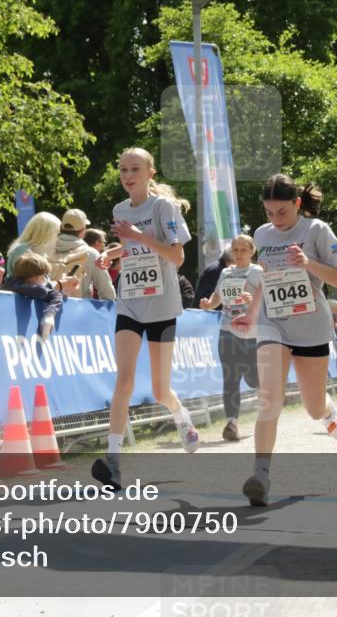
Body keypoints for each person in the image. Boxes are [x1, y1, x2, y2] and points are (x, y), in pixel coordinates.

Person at [232, 174, 337, 507]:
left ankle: (327, 411)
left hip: (310, 326)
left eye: (281, 212)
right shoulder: (262, 235)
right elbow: (267, 280)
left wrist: (308, 263)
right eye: (268, 212)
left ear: (297, 204)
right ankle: (261, 475)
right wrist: (253, 315)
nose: (275, 220)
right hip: (273, 324)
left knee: (311, 407)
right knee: (270, 398)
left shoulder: (316, 231)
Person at [90, 147, 199, 490]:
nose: (127, 175)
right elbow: (133, 248)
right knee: (123, 381)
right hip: (131, 303)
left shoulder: (162, 207)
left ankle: (181, 417)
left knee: (159, 389)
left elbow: (177, 256)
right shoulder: (120, 209)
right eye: (122, 169)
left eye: (135, 168)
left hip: (162, 306)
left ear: (151, 172)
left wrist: (137, 237)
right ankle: (114, 463)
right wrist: (113, 253)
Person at [199, 234, 262, 442]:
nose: (239, 254)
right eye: (235, 250)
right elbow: (218, 297)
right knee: (230, 379)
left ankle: (263, 401)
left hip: (252, 334)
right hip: (227, 331)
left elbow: (264, 299)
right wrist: (209, 303)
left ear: (252, 251)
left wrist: (251, 301)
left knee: (253, 379)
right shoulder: (226, 272)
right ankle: (232, 423)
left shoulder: (257, 272)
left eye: (244, 250)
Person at [6, 211, 79, 295]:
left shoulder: (35, 251)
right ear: (46, 234)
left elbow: (40, 287)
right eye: (56, 233)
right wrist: (60, 284)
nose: (57, 237)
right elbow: (31, 288)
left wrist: (65, 286)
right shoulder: (23, 251)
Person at [55, 208, 116, 300]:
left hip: (47, 309)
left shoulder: (46, 250)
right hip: (79, 311)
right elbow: (108, 294)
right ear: (83, 230)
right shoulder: (91, 254)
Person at [3, 252, 63, 339]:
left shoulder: (11, 282)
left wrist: (49, 314)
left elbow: (55, 294)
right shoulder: (28, 288)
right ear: (33, 278)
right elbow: (43, 292)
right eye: (43, 275)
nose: (44, 279)